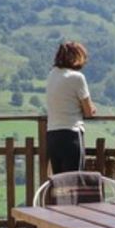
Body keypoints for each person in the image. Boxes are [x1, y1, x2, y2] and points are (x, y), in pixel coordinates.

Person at [45, 41, 96, 174]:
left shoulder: (52, 75)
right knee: (74, 181)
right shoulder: (77, 78)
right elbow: (89, 111)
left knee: (60, 182)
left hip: (52, 134)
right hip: (71, 134)